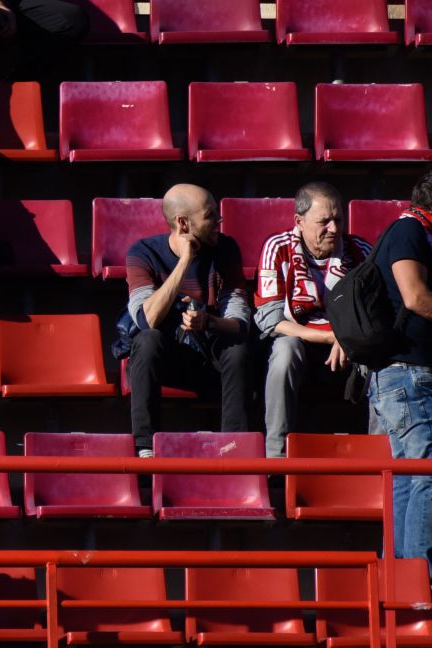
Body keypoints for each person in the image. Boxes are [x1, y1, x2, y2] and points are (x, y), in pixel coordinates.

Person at [118, 184, 256, 457]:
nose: (219, 221)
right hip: (169, 360)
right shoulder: (143, 253)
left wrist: (209, 322)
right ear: (183, 223)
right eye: (210, 216)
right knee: (146, 340)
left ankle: (235, 450)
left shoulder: (226, 249)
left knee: (238, 348)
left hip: (212, 358)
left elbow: (240, 321)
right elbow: (147, 319)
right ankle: (145, 448)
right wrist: (185, 261)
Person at [364, 166, 432, 591]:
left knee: (408, 477)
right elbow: (416, 296)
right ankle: (418, 582)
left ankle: (398, 582)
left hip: (407, 376)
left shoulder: (419, 233)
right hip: (410, 375)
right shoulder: (409, 232)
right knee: (431, 472)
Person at [255, 182, 373, 458]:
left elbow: (373, 315)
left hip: (348, 342)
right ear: (299, 221)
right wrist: (330, 336)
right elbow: (271, 321)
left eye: (338, 220)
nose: (333, 229)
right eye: (324, 221)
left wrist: (347, 337)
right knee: (285, 352)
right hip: (302, 339)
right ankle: (276, 455)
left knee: (378, 359)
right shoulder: (278, 248)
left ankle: (378, 454)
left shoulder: (360, 251)